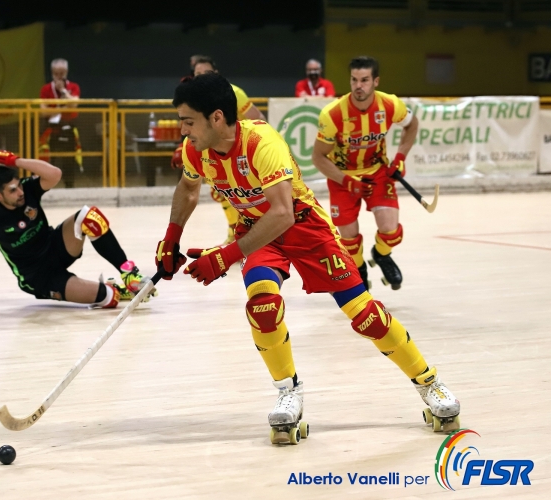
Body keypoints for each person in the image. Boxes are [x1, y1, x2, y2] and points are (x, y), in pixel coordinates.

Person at [155, 73, 459, 444]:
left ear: (216, 117)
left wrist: (224, 258)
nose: (183, 131)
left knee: (366, 316)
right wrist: (172, 237)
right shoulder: (195, 151)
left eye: (188, 121)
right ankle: (288, 392)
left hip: (304, 228)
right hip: (260, 235)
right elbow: (187, 188)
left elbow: (282, 213)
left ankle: (430, 383)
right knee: (263, 306)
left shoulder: (262, 143)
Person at [0, 150, 155, 312]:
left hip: (54, 247)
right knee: (110, 298)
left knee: (89, 217)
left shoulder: (28, 190)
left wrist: (15, 160)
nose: (20, 193)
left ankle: (129, 275)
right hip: (38, 277)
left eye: (19, 185)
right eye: (12, 191)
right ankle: (115, 289)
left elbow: (55, 174)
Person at [312, 56, 418, 291]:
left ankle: (380, 255)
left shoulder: (390, 104)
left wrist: (400, 157)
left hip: (377, 173)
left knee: (391, 231)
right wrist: (347, 181)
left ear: (375, 81)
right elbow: (318, 157)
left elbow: (412, 124)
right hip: (342, 178)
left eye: (365, 80)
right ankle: (359, 269)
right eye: (354, 80)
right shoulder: (332, 114)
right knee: (348, 239)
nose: (358, 85)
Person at [171, 55, 265, 245]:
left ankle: (254, 235)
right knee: (222, 193)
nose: (202, 77)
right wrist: (183, 147)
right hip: (212, 153)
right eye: (198, 74)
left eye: (207, 73)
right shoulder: (193, 100)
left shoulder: (235, 93)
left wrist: (250, 142)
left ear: (216, 74)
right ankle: (236, 233)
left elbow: (258, 118)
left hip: (239, 152)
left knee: (247, 195)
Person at [39, 58, 83, 188]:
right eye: (56, 73)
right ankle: (45, 185)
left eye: (62, 73)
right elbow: (43, 112)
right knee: (48, 157)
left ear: (66, 72)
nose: (59, 76)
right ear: (52, 73)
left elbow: (74, 104)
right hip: (51, 127)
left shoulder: (73, 87)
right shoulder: (46, 89)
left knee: (69, 158)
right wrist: (63, 108)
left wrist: (63, 91)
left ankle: (69, 185)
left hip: (68, 126)